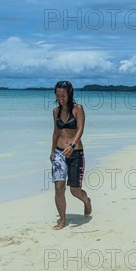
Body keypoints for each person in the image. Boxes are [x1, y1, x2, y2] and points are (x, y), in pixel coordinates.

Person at [50, 81, 91, 230]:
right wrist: (52, 150)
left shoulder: (77, 109)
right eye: (58, 95)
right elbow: (56, 133)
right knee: (59, 188)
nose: (60, 98)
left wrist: (72, 145)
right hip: (59, 154)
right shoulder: (55, 112)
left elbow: (80, 129)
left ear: (69, 94)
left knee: (74, 190)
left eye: (63, 95)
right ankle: (62, 220)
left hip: (76, 153)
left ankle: (86, 201)